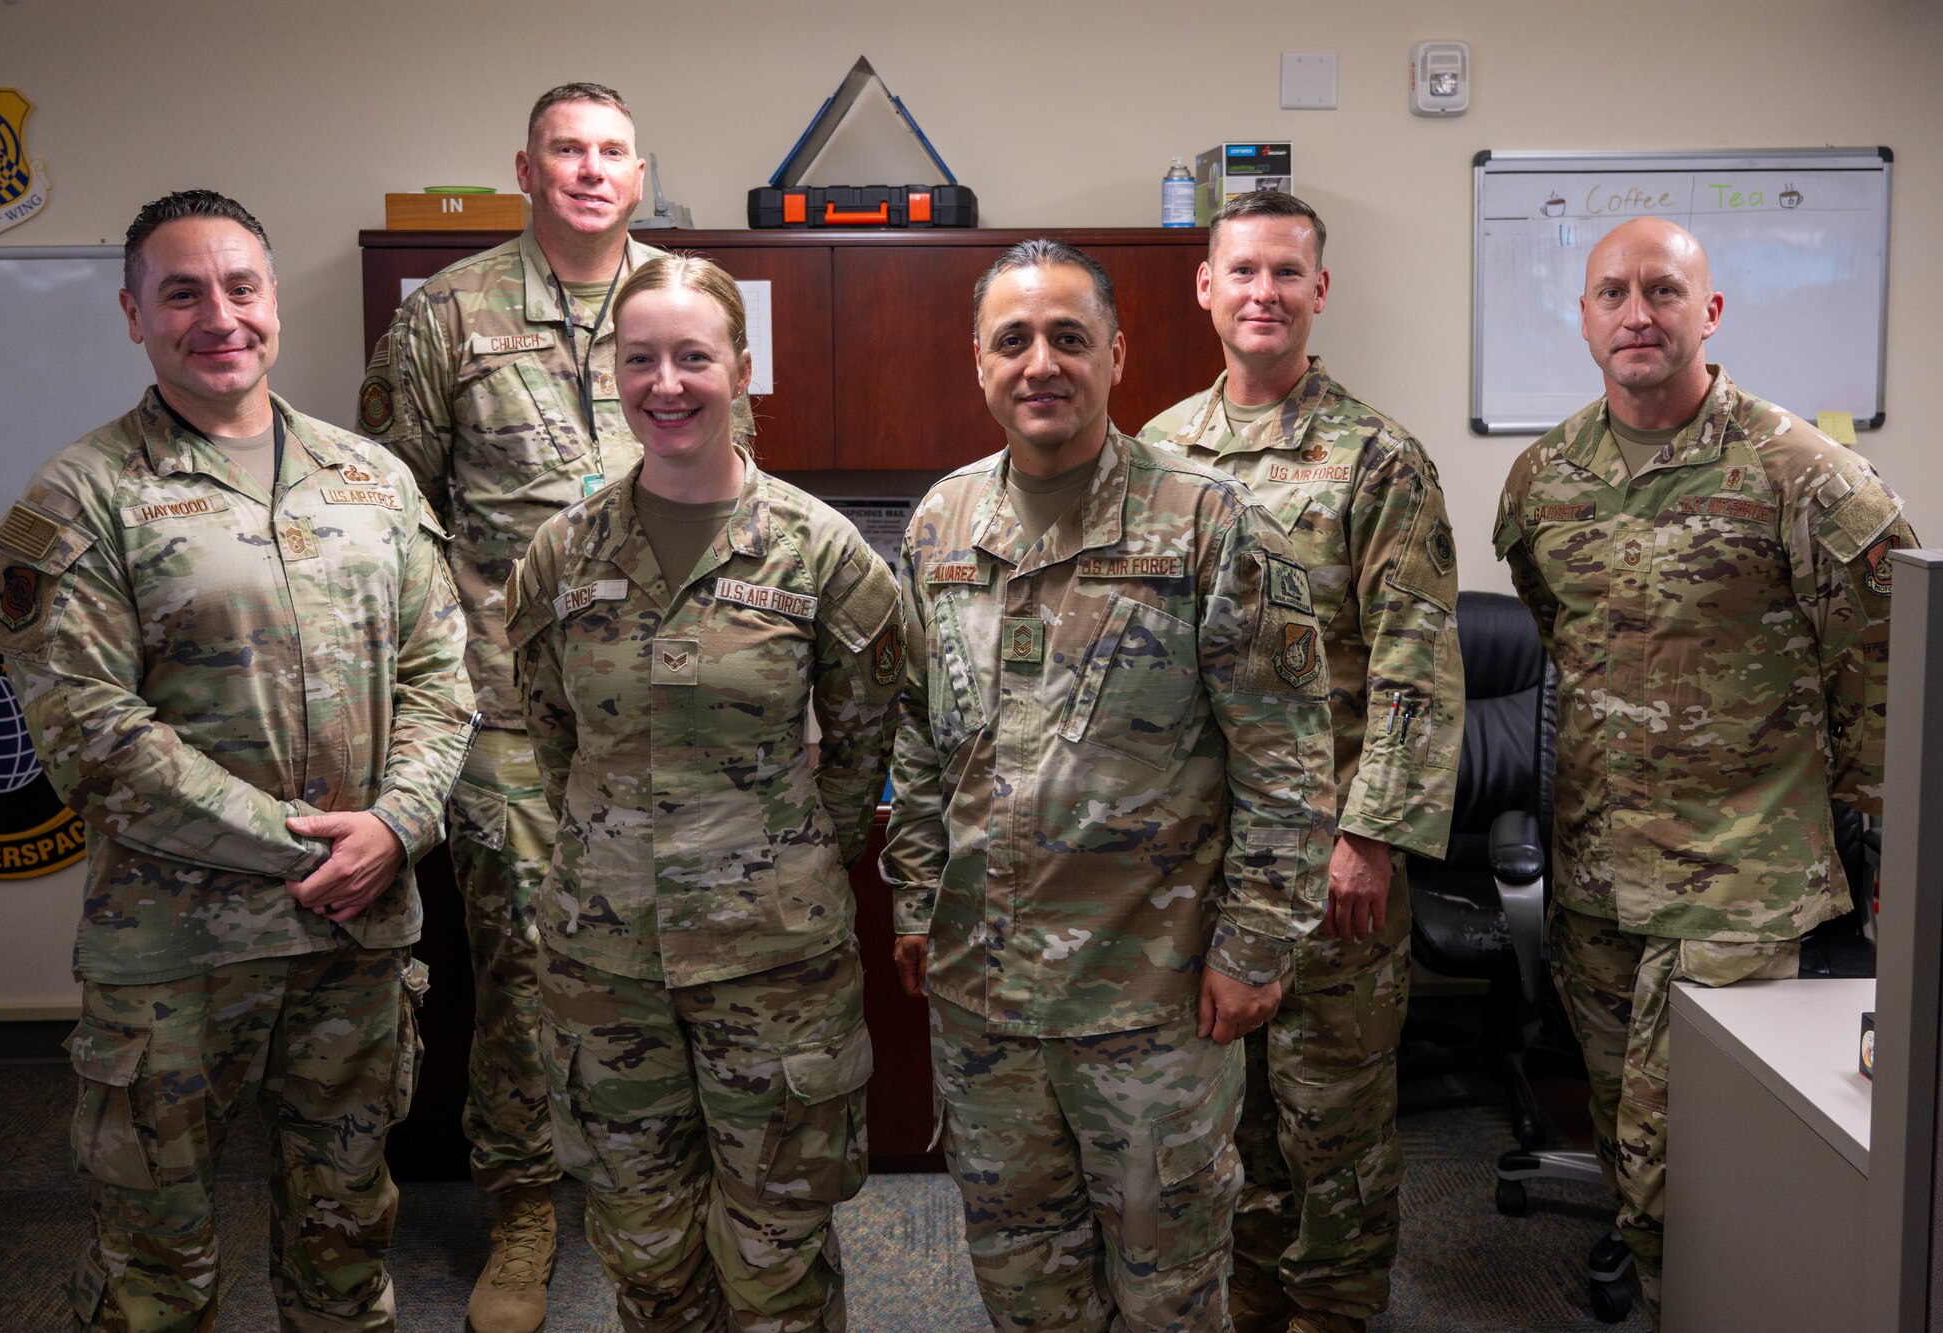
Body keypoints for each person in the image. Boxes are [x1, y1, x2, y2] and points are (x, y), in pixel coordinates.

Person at [0, 189, 474, 1331]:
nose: (219, 316)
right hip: (176, 955)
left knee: (345, 1245)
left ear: (273, 301)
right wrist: (310, 847)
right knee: (156, 1269)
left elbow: (442, 680)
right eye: (182, 293)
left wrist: (397, 825)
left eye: (240, 287)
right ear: (133, 315)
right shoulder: (80, 498)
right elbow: (91, 733)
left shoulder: (372, 480)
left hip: (355, 946)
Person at [883, 238, 1339, 1332]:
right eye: (1013, 340)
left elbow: (1286, 760)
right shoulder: (942, 524)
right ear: (979, 363)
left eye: (1069, 338)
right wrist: (912, 901)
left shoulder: (1209, 522)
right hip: (985, 1004)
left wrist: (1254, 947)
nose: (1040, 363)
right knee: (1023, 1284)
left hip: (1150, 1006)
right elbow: (917, 738)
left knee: (1167, 1292)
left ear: (1116, 355)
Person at [1493, 215, 1914, 1328]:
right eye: (1612, 293)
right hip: (1595, 874)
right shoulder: (1542, 480)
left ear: (1709, 311)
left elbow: (1881, 669)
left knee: (1682, 1151)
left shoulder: (1803, 474)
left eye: (1663, 290)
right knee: (1622, 1131)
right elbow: (1564, 641)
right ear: (1583, 318)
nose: (1637, 313)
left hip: (1738, 877)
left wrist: (1864, 838)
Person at [506, 255, 903, 1333]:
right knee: (645, 1254)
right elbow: (554, 739)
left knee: (776, 1256)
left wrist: (773, 861)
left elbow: (863, 749)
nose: (667, 383)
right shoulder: (559, 555)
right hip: (605, 964)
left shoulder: (822, 554)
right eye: (641, 359)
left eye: (693, 356)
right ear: (614, 373)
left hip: (773, 966)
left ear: (741, 367)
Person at [356, 81, 675, 1331]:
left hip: (662, 706)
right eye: (565, 150)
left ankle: (659, 1187)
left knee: (669, 959)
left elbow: (727, 479)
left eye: (611, 152)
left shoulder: (685, 299)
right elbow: (394, 516)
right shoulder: (447, 312)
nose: (590, 169)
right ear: (526, 171)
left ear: (637, 176)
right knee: (527, 969)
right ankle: (526, 1207)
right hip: (508, 713)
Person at [1139, 190, 1463, 1333]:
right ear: (1205, 287)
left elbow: (1416, 665)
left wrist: (1367, 836)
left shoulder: (1377, 459)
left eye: (1285, 272)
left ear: (1318, 290)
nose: (1262, 293)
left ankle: (1330, 1313)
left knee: (1332, 1125)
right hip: (1199, 863)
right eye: (1242, 271)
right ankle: (1245, 1304)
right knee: (1222, 1114)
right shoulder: (1155, 451)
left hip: (1330, 858)